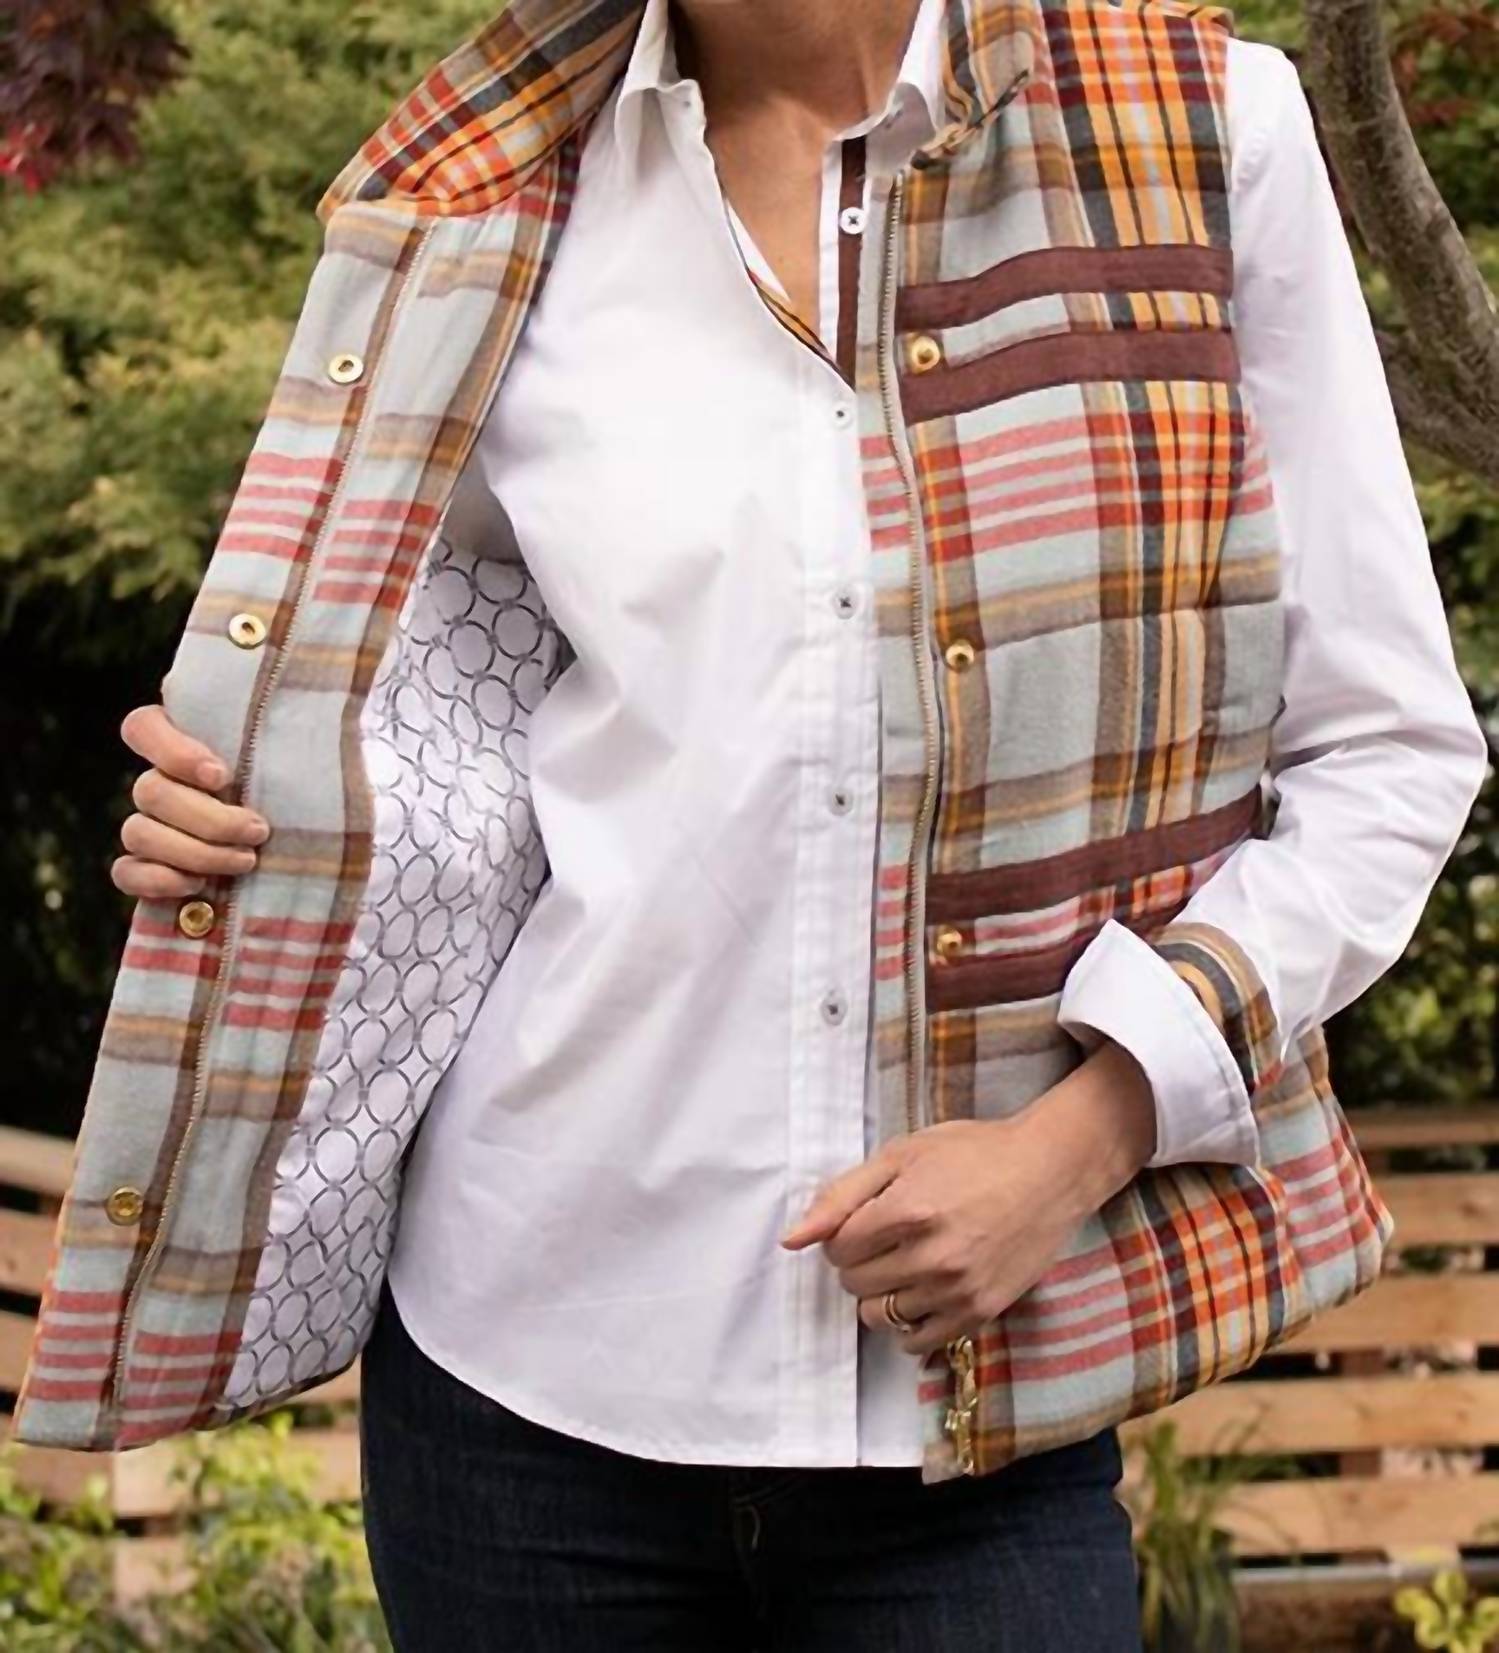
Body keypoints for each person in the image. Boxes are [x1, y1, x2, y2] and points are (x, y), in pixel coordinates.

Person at [16, 0, 1488, 1648]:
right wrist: (244, 810)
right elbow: (437, 708)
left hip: (973, 1413)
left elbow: (1388, 752)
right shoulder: (488, 186)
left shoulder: (1207, 133)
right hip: (514, 1385)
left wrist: (1082, 1136)